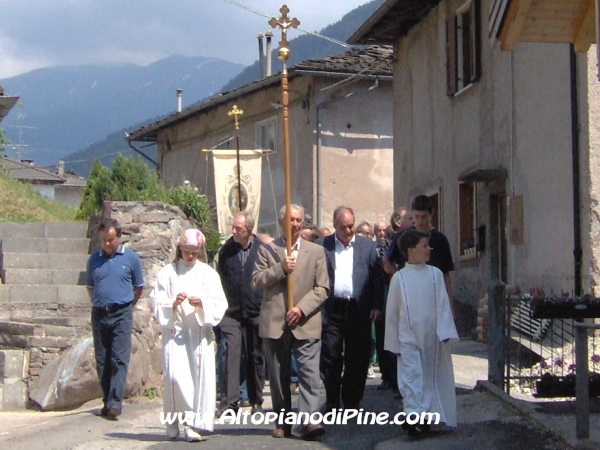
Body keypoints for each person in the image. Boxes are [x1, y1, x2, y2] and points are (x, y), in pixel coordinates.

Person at [251, 204, 329, 440]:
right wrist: (280, 268)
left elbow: (323, 288)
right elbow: (256, 281)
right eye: (291, 220)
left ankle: (309, 420)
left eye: (298, 220)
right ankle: (282, 421)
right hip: (275, 323)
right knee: (278, 375)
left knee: (309, 373)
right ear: (281, 221)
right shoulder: (268, 250)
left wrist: (300, 308)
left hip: (305, 321)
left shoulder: (315, 251)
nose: (295, 224)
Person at [150, 229, 228, 441]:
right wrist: (172, 303)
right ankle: (173, 420)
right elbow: (156, 299)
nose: (190, 255)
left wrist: (201, 303)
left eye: (194, 251)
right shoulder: (168, 273)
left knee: (195, 378)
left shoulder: (208, 274)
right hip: (176, 334)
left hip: (198, 334)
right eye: (186, 251)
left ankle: (191, 423)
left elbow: (219, 302)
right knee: (174, 378)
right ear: (180, 249)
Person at [385, 229, 459, 437]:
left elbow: (442, 305)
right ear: (411, 251)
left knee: (429, 376)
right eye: (424, 246)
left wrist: (445, 331)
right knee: (411, 376)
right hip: (408, 337)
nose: (430, 249)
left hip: (432, 337)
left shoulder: (435, 275)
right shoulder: (399, 278)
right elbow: (392, 313)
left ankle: (428, 415)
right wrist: (394, 344)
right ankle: (413, 415)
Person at [318, 206, 383, 411]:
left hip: (358, 306)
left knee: (358, 355)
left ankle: (352, 399)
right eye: (344, 227)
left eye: (351, 225)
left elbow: (377, 278)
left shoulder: (367, 247)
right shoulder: (323, 246)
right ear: (335, 226)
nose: (349, 230)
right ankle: (332, 400)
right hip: (332, 307)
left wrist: (376, 305)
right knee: (331, 355)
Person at [86, 218, 144, 420]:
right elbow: (90, 287)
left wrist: (126, 304)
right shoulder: (94, 259)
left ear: (119, 237)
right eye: (104, 240)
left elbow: (138, 287)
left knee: (119, 358)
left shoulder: (131, 258)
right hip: (100, 313)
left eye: (111, 239)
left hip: (122, 312)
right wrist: (101, 303)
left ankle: (115, 402)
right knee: (102, 361)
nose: (107, 244)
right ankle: (107, 400)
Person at [216, 211, 266, 417]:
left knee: (256, 357)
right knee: (231, 354)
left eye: (238, 229)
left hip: (256, 311)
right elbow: (219, 277)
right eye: (233, 228)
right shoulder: (226, 250)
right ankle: (230, 402)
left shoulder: (263, 249)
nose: (234, 231)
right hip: (232, 312)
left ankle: (256, 401)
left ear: (249, 230)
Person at [384, 196, 454, 310]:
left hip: (433, 295)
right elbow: (387, 260)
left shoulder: (440, 239)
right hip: (410, 294)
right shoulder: (404, 237)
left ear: (431, 214)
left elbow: (446, 274)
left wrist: (450, 306)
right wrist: (399, 277)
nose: (420, 221)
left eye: (424, 217)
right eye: (417, 216)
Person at [372, 219, 397, 395]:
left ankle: (392, 378)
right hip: (381, 295)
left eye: (385, 232)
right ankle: (387, 377)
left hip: (391, 294)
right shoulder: (374, 250)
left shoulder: (392, 248)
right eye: (379, 231)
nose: (382, 234)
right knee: (381, 339)